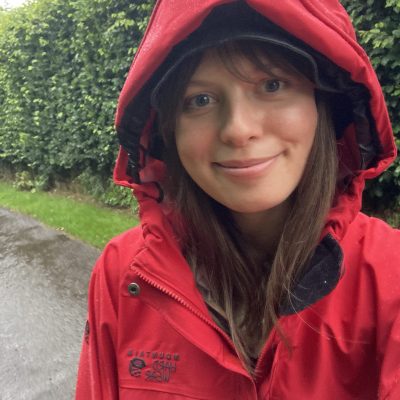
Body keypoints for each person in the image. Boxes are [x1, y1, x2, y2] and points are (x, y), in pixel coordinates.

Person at [75, 1, 400, 399]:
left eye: (272, 85)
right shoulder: (123, 274)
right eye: (199, 100)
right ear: (169, 133)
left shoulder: (390, 280)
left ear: (324, 107)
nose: (238, 130)